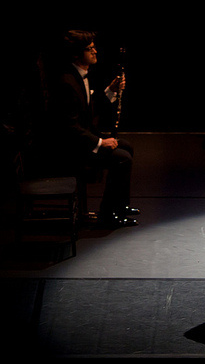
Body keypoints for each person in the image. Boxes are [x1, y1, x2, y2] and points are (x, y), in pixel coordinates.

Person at [48, 30, 139, 227]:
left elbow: (89, 110)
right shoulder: (67, 82)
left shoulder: (79, 76)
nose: (95, 51)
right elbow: (69, 127)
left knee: (127, 146)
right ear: (76, 54)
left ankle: (121, 205)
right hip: (70, 147)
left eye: (94, 47)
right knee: (122, 158)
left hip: (81, 139)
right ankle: (108, 214)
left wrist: (111, 90)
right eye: (89, 49)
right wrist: (99, 142)